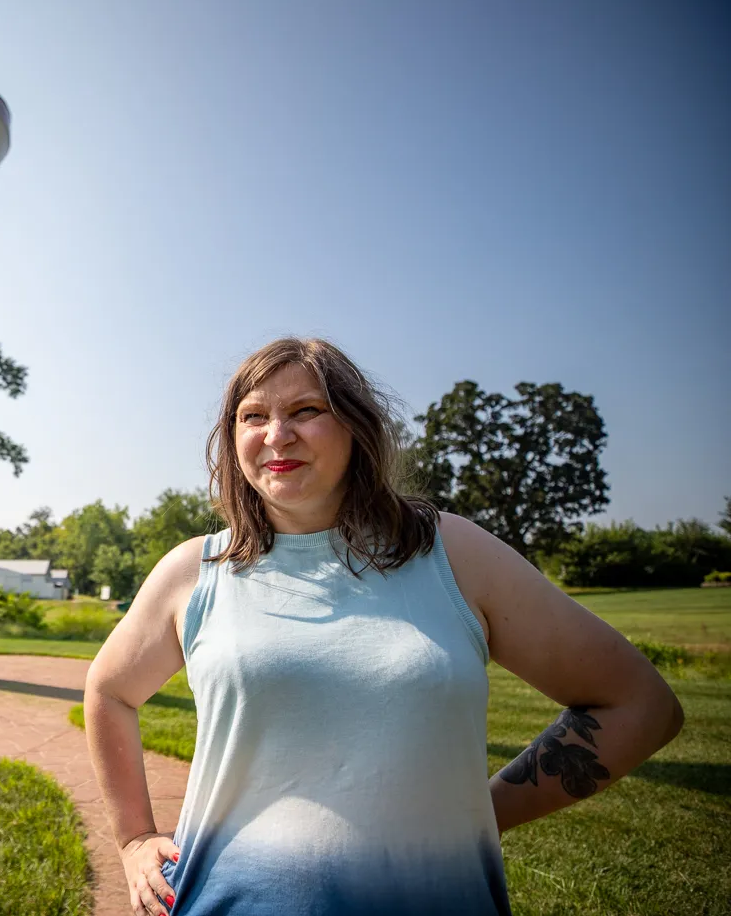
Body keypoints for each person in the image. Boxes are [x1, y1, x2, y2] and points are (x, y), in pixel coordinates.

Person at [83, 337, 683, 915]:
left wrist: (476, 810)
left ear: (356, 425)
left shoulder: (451, 552)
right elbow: (109, 691)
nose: (276, 434)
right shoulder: (196, 570)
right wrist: (134, 838)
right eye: (253, 415)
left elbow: (638, 704)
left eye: (306, 410)